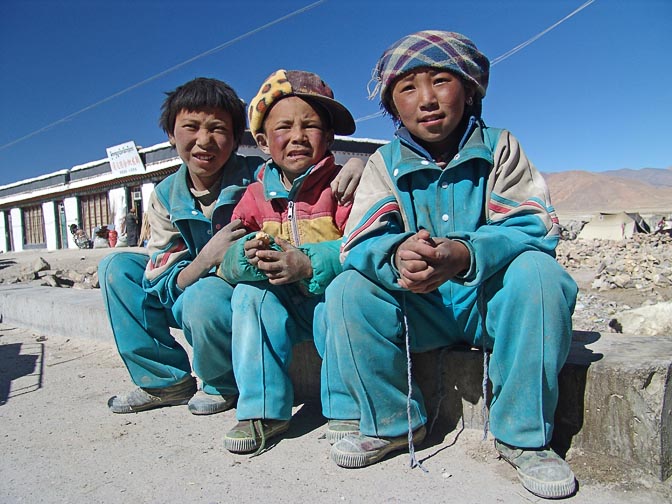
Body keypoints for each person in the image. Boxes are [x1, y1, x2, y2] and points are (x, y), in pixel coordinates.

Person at [317, 31, 579, 500]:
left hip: (490, 305)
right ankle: (393, 422)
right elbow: (358, 241)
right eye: (408, 89)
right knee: (346, 290)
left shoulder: (500, 147)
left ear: (471, 89)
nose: (428, 99)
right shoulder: (383, 164)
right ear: (393, 106)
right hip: (421, 308)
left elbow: (534, 225)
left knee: (542, 277)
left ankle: (524, 438)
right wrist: (397, 255)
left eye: (441, 81)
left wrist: (465, 253)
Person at [100, 77, 363, 417]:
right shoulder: (166, 197)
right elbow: (161, 276)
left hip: (231, 292)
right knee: (116, 268)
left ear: (240, 138)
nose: (204, 141)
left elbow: (307, 174)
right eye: (191, 127)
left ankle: (222, 384)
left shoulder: (259, 179)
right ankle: (164, 379)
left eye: (218, 129)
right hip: (187, 285)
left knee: (204, 297)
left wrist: (356, 165)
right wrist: (206, 258)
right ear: (170, 134)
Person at [217, 69, 356, 455]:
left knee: (345, 295)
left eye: (310, 126)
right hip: (284, 306)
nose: (297, 136)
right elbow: (228, 252)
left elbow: (361, 247)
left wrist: (310, 263)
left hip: (328, 302)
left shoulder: (343, 188)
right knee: (248, 295)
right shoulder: (254, 195)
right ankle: (263, 411)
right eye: (284, 128)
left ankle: (346, 406)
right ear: (262, 141)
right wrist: (247, 258)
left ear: (328, 138)